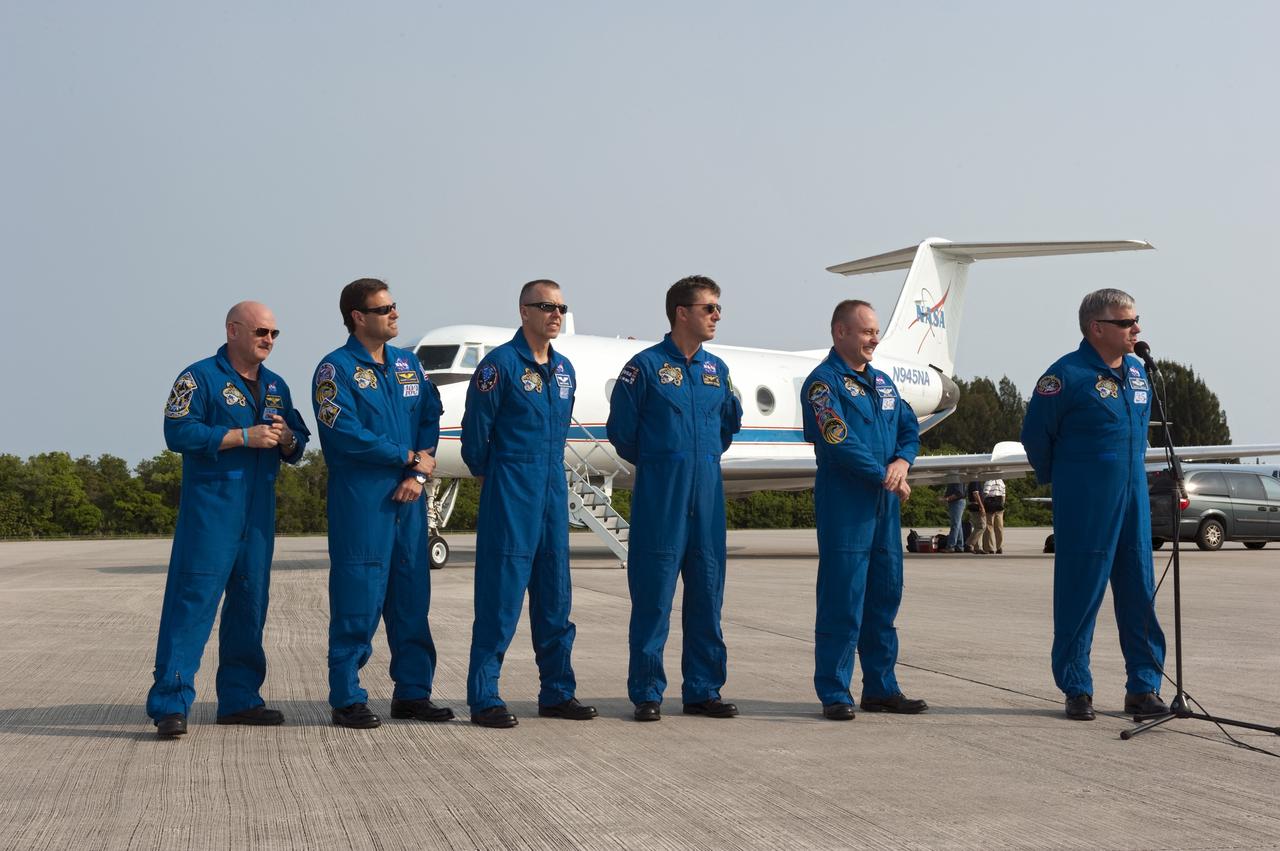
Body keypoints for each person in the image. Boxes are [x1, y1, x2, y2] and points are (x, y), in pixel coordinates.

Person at [147, 301, 309, 739]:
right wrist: (242, 437)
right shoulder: (198, 377)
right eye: (261, 332)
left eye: (274, 334)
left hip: (257, 518)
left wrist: (287, 436)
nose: (269, 341)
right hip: (211, 513)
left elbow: (298, 443)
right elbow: (177, 432)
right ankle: (170, 704)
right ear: (233, 330)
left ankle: (240, 700)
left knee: (249, 607)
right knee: (191, 606)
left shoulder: (276, 386)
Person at [1020, 288, 1168, 722]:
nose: (1136, 330)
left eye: (1136, 320)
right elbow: (1036, 437)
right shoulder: (1064, 376)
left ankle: (1144, 687)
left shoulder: (1139, 372)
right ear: (1096, 328)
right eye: (1126, 323)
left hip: (1133, 501)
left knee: (1140, 592)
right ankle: (1077, 687)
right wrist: (1068, 480)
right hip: (1086, 501)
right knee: (1079, 594)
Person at [313, 279, 453, 729]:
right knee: (358, 597)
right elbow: (346, 434)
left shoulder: (408, 365)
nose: (394, 314)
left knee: (412, 597)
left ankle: (413, 693)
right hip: (363, 500)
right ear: (358, 317)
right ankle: (347, 697)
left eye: (394, 306)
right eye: (384, 309)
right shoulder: (334, 371)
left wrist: (417, 471)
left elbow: (431, 415)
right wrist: (405, 458)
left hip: (409, 497)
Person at [460, 280, 596, 728]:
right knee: (500, 598)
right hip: (511, 485)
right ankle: (484, 697)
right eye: (545, 306)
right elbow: (474, 437)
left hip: (553, 487)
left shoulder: (564, 371)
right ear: (523, 311)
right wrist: (499, 474)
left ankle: (557, 692)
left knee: (556, 596)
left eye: (561, 307)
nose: (555, 314)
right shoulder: (498, 367)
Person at [606, 275, 743, 722]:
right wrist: (667, 462)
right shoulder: (643, 368)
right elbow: (623, 434)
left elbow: (726, 428)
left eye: (718, 307)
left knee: (707, 594)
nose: (717, 315)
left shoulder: (716, 370)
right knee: (653, 598)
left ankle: (703, 690)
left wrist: (698, 460)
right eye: (709, 308)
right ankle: (647, 692)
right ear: (681, 313)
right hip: (660, 498)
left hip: (707, 498)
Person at [800, 299, 927, 721]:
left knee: (884, 599)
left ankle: (881, 688)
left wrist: (902, 462)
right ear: (840, 333)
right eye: (867, 331)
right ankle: (835, 692)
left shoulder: (884, 384)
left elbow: (910, 428)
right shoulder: (823, 384)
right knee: (843, 600)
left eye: (876, 332)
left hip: (885, 506)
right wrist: (883, 473)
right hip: (846, 506)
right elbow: (837, 438)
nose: (875, 338)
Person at [980, 478, 1007, 554]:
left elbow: (985, 493)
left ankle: (989, 547)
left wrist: (982, 505)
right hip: (999, 503)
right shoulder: (1001, 481)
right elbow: (1004, 494)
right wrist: (1002, 504)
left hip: (990, 503)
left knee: (989, 526)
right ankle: (999, 547)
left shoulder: (989, 481)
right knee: (999, 527)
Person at [964, 480, 988, 554]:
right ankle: (968, 544)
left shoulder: (975, 481)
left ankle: (977, 547)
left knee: (977, 526)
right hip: (976, 506)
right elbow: (975, 494)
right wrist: (981, 506)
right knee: (981, 526)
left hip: (974, 505)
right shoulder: (975, 481)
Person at [942, 482, 966, 552]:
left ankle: (951, 546)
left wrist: (947, 499)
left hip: (957, 502)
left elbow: (959, 493)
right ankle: (959, 546)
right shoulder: (955, 478)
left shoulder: (956, 478)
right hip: (957, 502)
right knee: (958, 525)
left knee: (955, 525)